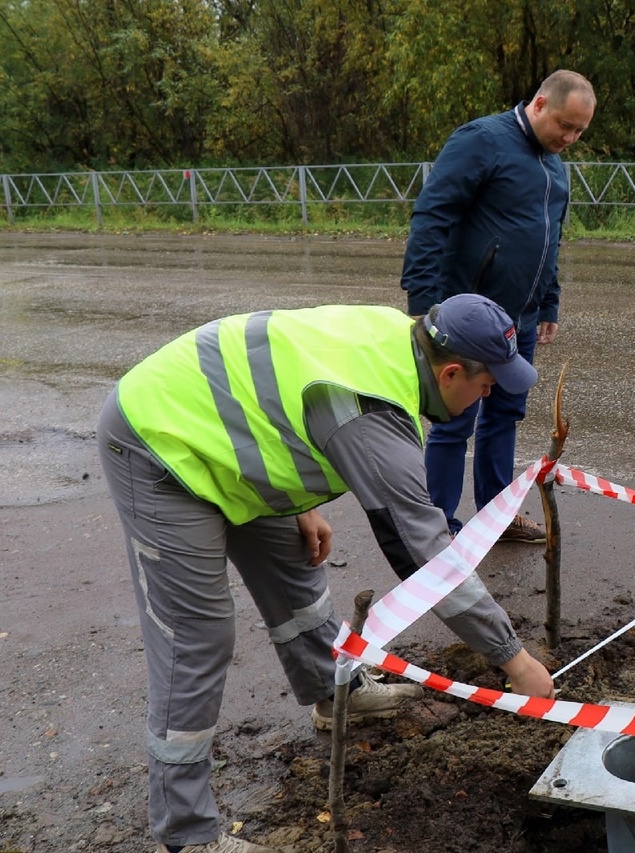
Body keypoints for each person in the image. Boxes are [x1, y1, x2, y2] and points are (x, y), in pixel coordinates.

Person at [98, 294, 556, 853]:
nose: (488, 399)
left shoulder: (403, 347)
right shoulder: (370, 406)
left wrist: (299, 502)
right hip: (159, 443)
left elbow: (281, 402)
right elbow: (428, 556)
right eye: (486, 387)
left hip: (225, 434)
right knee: (196, 639)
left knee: (297, 571)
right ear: (452, 371)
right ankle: (188, 834)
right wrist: (515, 658)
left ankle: (331, 694)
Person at [399, 69, 596, 545]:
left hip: (519, 320)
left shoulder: (555, 165)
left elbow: (550, 239)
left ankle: (495, 516)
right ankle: (437, 527)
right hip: (464, 319)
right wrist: (425, 306)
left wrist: (549, 300)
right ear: (540, 103)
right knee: (453, 420)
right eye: (565, 126)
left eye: (580, 132)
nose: (569, 138)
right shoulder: (482, 140)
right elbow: (432, 217)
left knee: (505, 414)